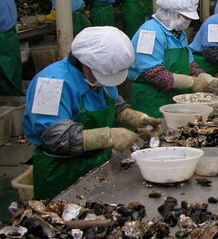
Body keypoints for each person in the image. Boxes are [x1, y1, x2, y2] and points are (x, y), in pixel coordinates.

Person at [23, 27, 161, 199]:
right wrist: (108, 136)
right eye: (102, 75)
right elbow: (55, 138)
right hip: (62, 173)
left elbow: (115, 105)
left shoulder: (100, 76)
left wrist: (135, 118)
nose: (105, 81)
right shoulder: (50, 83)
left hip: (98, 163)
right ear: (86, 64)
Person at [128, 0, 218, 118]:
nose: (187, 21)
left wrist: (207, 78)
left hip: (176, 97)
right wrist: (193, 82)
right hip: (152, 99)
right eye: (185, 17)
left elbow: (190, 64)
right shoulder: (149, 33)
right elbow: (154, 74)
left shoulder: (178, 33)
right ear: (172, 13)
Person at [0, 0, 22, 95]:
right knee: (13, 68)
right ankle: (16, 96)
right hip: (11, 37)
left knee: (4, 70)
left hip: (2, 38)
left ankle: (8, 97)